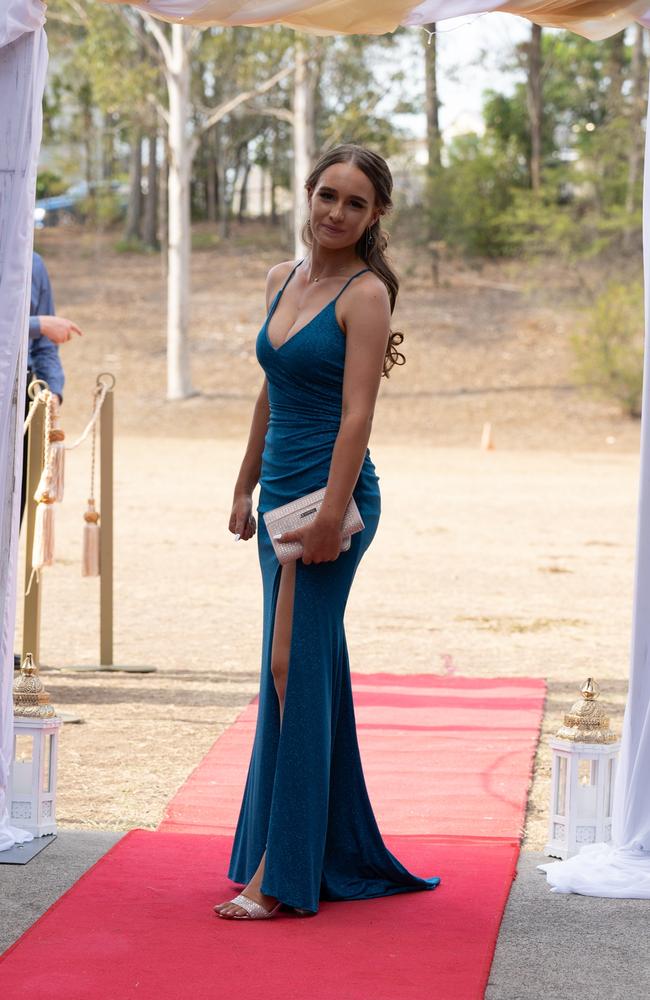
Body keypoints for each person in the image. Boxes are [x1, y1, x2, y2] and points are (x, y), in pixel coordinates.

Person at [214, 144, 440, 921]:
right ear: (308, 194)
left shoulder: (365, 293)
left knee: (289, 664)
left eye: (354, 203)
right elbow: (270, 392)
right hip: (277, 495)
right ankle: (317, 845)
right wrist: (244, 482)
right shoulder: (282, 279)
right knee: (298, 664)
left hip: (333, 506)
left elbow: (357, 417)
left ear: (375, 216)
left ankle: (280, 870)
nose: (335, 213)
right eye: (327, 195)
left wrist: (330, 518)